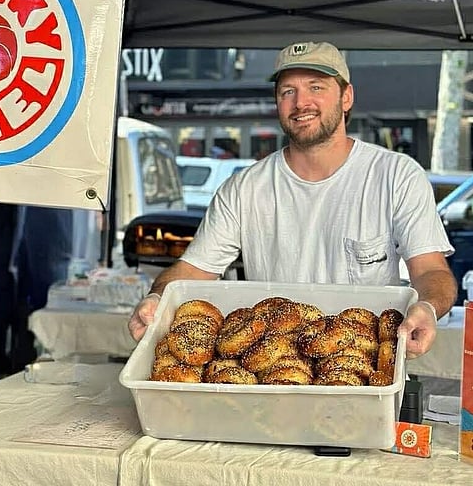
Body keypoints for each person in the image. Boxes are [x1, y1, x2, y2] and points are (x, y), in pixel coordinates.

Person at [128, 41, 458, 359]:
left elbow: (431, 270)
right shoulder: (244, 188)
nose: (301, 103)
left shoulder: (396, 175)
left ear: (346, 97)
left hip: (368, 367)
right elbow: (192, 270)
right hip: (271, 372)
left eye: (316, 87)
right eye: (288, 91)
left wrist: (427, 307)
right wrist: (157, 298)